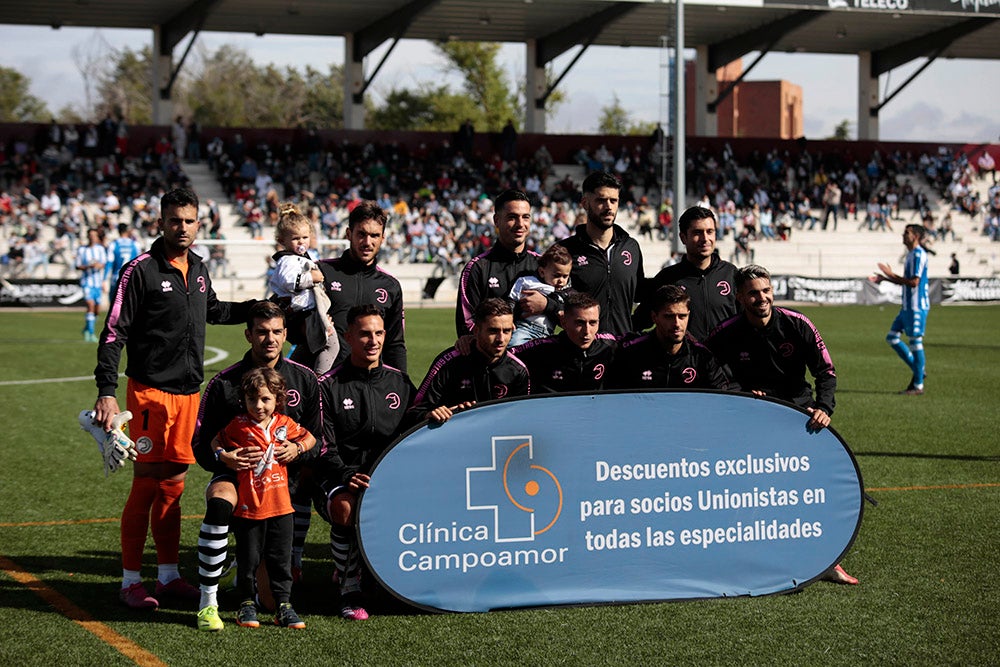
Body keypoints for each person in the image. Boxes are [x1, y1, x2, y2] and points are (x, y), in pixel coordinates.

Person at [93, 187, 254, 610]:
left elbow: (214, 310)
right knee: (146, 484)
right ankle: (130, 582)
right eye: (173, 220)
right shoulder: (140, 270)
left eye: (188, 220)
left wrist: (260, 308)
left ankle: (166, 576)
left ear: (199, 224)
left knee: (173, 487)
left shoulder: (199, 268)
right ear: (161, 222)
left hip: (188, 396)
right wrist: (107, 392)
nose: (181, 227)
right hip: (148, 394)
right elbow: (114, 332)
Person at [703, 264, 857, 586]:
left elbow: (826, 373)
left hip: (799, 420)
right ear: (740, 298)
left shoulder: (798, 324)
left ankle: (828, 561)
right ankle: (740, 561)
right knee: (746, 496)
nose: (762, 298)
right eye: (753, 294)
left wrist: (823, 407)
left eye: (766, 291)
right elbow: (710, 375)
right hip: (749, 424)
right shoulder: (724, 333)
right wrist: (738, 394)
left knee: (812, 495)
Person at [191, 300, 321, 632]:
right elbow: (201, 444)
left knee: (270, 596)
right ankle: (208, 602)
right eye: (262, 332)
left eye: (277, 332)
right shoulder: (224, 383)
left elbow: (318, 438)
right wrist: (224, 458)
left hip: (282, 486)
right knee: (220, 499)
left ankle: (280, 578)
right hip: (238, 478)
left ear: (286, 334)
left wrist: (296, 450)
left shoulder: (305, 379)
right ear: (248, 335)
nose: (270, 339)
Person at [314, 304, 416, 621]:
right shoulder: (328, 385)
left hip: (388, 477)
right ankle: (349, 587)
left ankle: (392, 575)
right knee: (347, 508)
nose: (373, 341)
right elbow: (323, 447)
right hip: (339, 477)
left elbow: (415, 431)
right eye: (364, 334)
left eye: (378, 333)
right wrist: (347, 473)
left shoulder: (400, 383)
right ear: (348, 337)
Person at [209, 367, 315, 630]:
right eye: (252, 399)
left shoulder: (285, 424)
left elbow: (311, 438)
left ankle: (284, 606)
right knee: (248, 560)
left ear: (277, 400)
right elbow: (215, 441)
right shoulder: (238, 425)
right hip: (249, 509)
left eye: (265, 399)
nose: (258, 405)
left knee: (281, 559)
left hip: (281, 507)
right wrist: (224, 455)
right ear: (243, 401)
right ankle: (245, 603)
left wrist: (297, 448)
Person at [313, 200, 407, 371]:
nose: (367, 242)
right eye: (361, 234)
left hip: (368, 383)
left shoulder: (390, 286)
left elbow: (395, 343)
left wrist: (401, 385)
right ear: (349, 234)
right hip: (326, 381)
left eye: (374, 236)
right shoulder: (322, 272)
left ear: (383, 238)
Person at [411, 298, 529, 425]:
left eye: (506, 331)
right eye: (493, 331)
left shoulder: (517, 370)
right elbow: (414, 411)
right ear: (476, 331)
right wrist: (432, 414)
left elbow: (520, 419)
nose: (501, 339)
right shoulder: (448, 363)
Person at [455, 189, 551, 337]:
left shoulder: (544, 265)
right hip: (495, 358)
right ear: (496, 220)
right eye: (512, 217)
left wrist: (547, 304)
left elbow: (569, 311)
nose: (520, 224)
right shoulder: (477, 268)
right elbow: (467, 324)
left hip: (536, 358)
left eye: (525, 217)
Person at [558, 171, 644, 336]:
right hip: (584, 351)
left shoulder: (631, 247)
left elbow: (640, 293)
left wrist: (636, 325)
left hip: (623, 349)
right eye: (601, 200)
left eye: (613, 201)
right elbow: (552, 297)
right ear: (585, 203)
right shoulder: (565, 251)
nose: (609, 207)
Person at [633, 206, 737, 341]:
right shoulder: (668, 278)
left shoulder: (730, 274)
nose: (705, 238)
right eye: (697, 232)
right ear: (683, 237)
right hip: (685, 361)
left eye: (710, 231)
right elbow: (640, 321)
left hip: (724, 360)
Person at [610, 285, 728, 390]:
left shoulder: (702, 357)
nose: (677, 324)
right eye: (669, 316)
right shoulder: (632, 354)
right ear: (654, 317)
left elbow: (721, 400)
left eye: (682, 316)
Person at [268, 204, 339, 375]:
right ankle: (320, 379)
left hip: (309, 312)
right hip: (302, 313)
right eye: (295, 238)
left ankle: (291, 373)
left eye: (305, 237)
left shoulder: (302, 257)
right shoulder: (288, 260)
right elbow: (288, 281)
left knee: (309, 347)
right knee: (331, 344)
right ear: (282, 241)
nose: (301, 242)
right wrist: (311, 278)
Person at [511, 292, 616, 394]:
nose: (587, 331)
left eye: (593, 323)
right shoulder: (541, 349)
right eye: (580, 323)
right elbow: (504, 357)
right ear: (564, 323)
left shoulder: (608, 345)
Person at [871, 224, 930, 395]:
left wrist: (890, 275)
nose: (903, 235)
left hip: (916, 307)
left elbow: (914, 282)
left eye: (907, 233)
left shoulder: (919, 254)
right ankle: (919, 370)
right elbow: (907, 281)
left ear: (916, 236)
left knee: (915, 343)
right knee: (892, 338)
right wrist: (886, 278)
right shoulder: (910, 255)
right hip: (907, 307)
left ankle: (918, 385)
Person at [507, 243, 573, 346]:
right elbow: (512, 299)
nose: (561, 280)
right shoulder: (528, 282)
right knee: (514, 345)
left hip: (548, 332)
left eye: (565, 277)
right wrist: (509, 318)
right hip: (526, 327)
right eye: (557, 275)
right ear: (542, 272)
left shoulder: (567, 292)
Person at [76, 227, 107, 342]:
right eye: (91, 235)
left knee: (97, 310)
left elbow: (104, 264)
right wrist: (88, 266)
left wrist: (98, 266)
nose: (92, 237)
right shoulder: (82, 249)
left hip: (97, 283)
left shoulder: (100, 249)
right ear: (88, 236)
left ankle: (87, 328)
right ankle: (91, 333)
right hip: (87, 282)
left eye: (94, 235)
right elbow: (77, 265)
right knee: (90, 305)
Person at [106, 222, 142, 304]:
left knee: (115, 305)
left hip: (116, 277)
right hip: (131, 278)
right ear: (127, 231)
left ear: (118, 231)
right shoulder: (135, 244)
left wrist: (105, 279)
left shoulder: (113, 244)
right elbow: (139, 262)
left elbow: (109, 262)